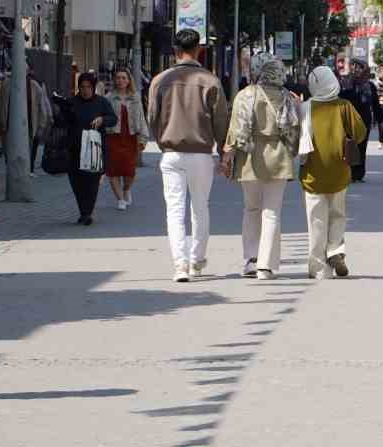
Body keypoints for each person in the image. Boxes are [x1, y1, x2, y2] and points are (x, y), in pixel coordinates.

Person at [148, 28, 229, 282]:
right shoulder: (210, 81)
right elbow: (221, 121)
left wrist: (161, 140)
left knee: (174, 210)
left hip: (171, 153)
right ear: (199, 49)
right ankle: (197, 260)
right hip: (201, 153)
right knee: (200, 207)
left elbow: (152, 117)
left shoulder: (160, 80)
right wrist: (223, 150)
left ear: (175, 50)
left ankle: (180, 265)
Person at [226, 56, 299, 279]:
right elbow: (294, 130)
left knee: (251, 209)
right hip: (278, 157)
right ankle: (265, 266)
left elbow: (236, 130)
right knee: (272, 212)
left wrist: (227, 155)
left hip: (249, 157)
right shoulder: (287, 97)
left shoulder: (245, 95)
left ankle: (251, 259)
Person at [301, 66, 366, 279]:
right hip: (340, 169)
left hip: (313, 171)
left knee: (316, 219)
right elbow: (360, 132)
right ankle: (335, 250)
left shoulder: (306, 108)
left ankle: (319, 267)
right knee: (338, 213)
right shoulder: (344, 106)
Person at [67, 71, 115, 225]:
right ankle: (83, 210)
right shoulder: (71, 102)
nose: (85, 90)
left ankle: (87, 213)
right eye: (82, 87)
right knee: (77, 182)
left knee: (92, 182)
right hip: (75, 149)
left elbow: (113, 119)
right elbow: (62, 122)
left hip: (94, 149)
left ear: (93, 87)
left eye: (88, 87)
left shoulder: (101, 102)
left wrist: (102, 119)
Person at [102, 67, 151, 211]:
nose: (120, 80)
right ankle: (120, 200)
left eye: (124, 78)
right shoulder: (108, 98)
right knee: (113, 170)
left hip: (130, 138)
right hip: (113, 137)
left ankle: (126, 189)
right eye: (118, 78)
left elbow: (141, 118)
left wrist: (143, 138)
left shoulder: (135, 97)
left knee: (129, 171)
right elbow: (104, 118)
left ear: (129, 80)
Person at [0, 64, 52, 172]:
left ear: (27, 72)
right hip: (8, 128)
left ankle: (24, 173)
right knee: (9, 155)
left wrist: (41, 127)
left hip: (28, 128)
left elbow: (42, 107)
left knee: (26, 155)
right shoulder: (6, 84)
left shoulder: (34, 86)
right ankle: (13, 173)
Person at [340, 61, 380, 182]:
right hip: (349, 119)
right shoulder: (346, 83)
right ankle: (349, 172)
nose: (356, 69)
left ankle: (359, 173)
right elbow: (340, 99)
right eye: (354, 66)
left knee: (362, 147)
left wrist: (381, 119)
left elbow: (375, 104)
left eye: (359, 67)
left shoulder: (369, 86)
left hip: (364, 120)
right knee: (350, 146)